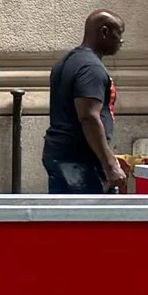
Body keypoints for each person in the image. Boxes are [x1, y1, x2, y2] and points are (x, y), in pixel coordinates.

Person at [44, 10, 127, 194]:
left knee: (67, 219)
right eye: (119, 33)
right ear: (104, 32)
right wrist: (110, 164)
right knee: (86, 220)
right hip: (80, 161)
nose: (121, 40)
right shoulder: (91, 68)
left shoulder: (67, 61)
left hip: (64, 156)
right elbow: (89, 116)